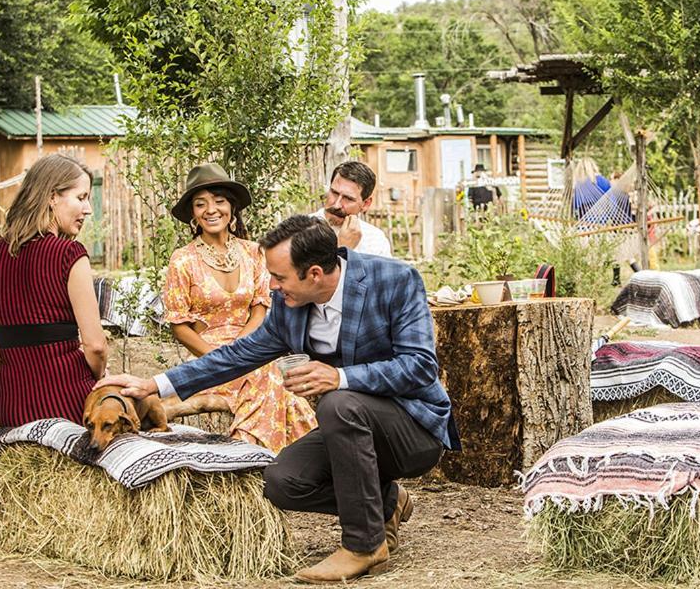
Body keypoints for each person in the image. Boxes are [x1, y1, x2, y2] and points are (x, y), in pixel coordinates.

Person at [97, 215, 459, 582]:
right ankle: (386, 502)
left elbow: (419, 367)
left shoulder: (395, 281)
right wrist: (154, 385)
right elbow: (236, 355)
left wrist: (339, 377)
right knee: (283, 482)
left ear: (314, 274)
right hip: (349, 426)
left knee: (338, 401)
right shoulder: (288, 304)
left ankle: (364, 546)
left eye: (280, 277)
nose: (271, 286)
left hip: (412, 428)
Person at [163, 163, 316, 452]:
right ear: (193, 215)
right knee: (275, 382)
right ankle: (253, 457)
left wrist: (242, 354)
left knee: (274, 378)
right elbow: (179, 327)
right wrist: (221, 362)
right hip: (208, 359)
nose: (211, 210)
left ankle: (264, 456)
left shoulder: (254, 252)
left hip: (252, 348)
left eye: (219, 201)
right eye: (200, 204)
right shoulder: (182, 260)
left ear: (232, 208)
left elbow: (260, 308)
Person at [0, 153, 108, 427]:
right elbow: (95, 346)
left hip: (12, 406)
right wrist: (99, 377)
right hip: (67, 401)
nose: (88, 209)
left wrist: (26, 359)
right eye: (81, 198)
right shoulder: (69, 254)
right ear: (52, 197)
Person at [313, 160, 392, 257]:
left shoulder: (375, 241)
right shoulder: (300, 231)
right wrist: (343, 250)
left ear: (366, 204)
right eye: (334, 193)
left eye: (348, 198)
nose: (337, 205)